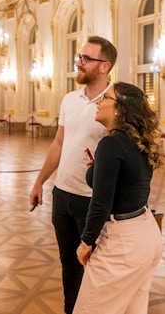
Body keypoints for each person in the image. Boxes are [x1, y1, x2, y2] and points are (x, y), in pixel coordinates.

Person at [29, 35, 118, 314]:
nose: (79, 63)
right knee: (69, 262)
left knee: (97, 265)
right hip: (62, 195)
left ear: (104, 66)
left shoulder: (116, 102)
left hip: (93, 200)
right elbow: (59, 143)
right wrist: (40, 181)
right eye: (79, 57)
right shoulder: (70, 99)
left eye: (86, 58)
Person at [73, 82, 163, 314]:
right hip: (147, 235)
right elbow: (129, 181)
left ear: (118, 109)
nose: (98, 101)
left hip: (123, 243)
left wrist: (86, 242)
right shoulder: (137, 141)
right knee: (133, 309)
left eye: (105, 97)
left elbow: (101, 203)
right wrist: (99, 168)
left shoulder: (111, 143)